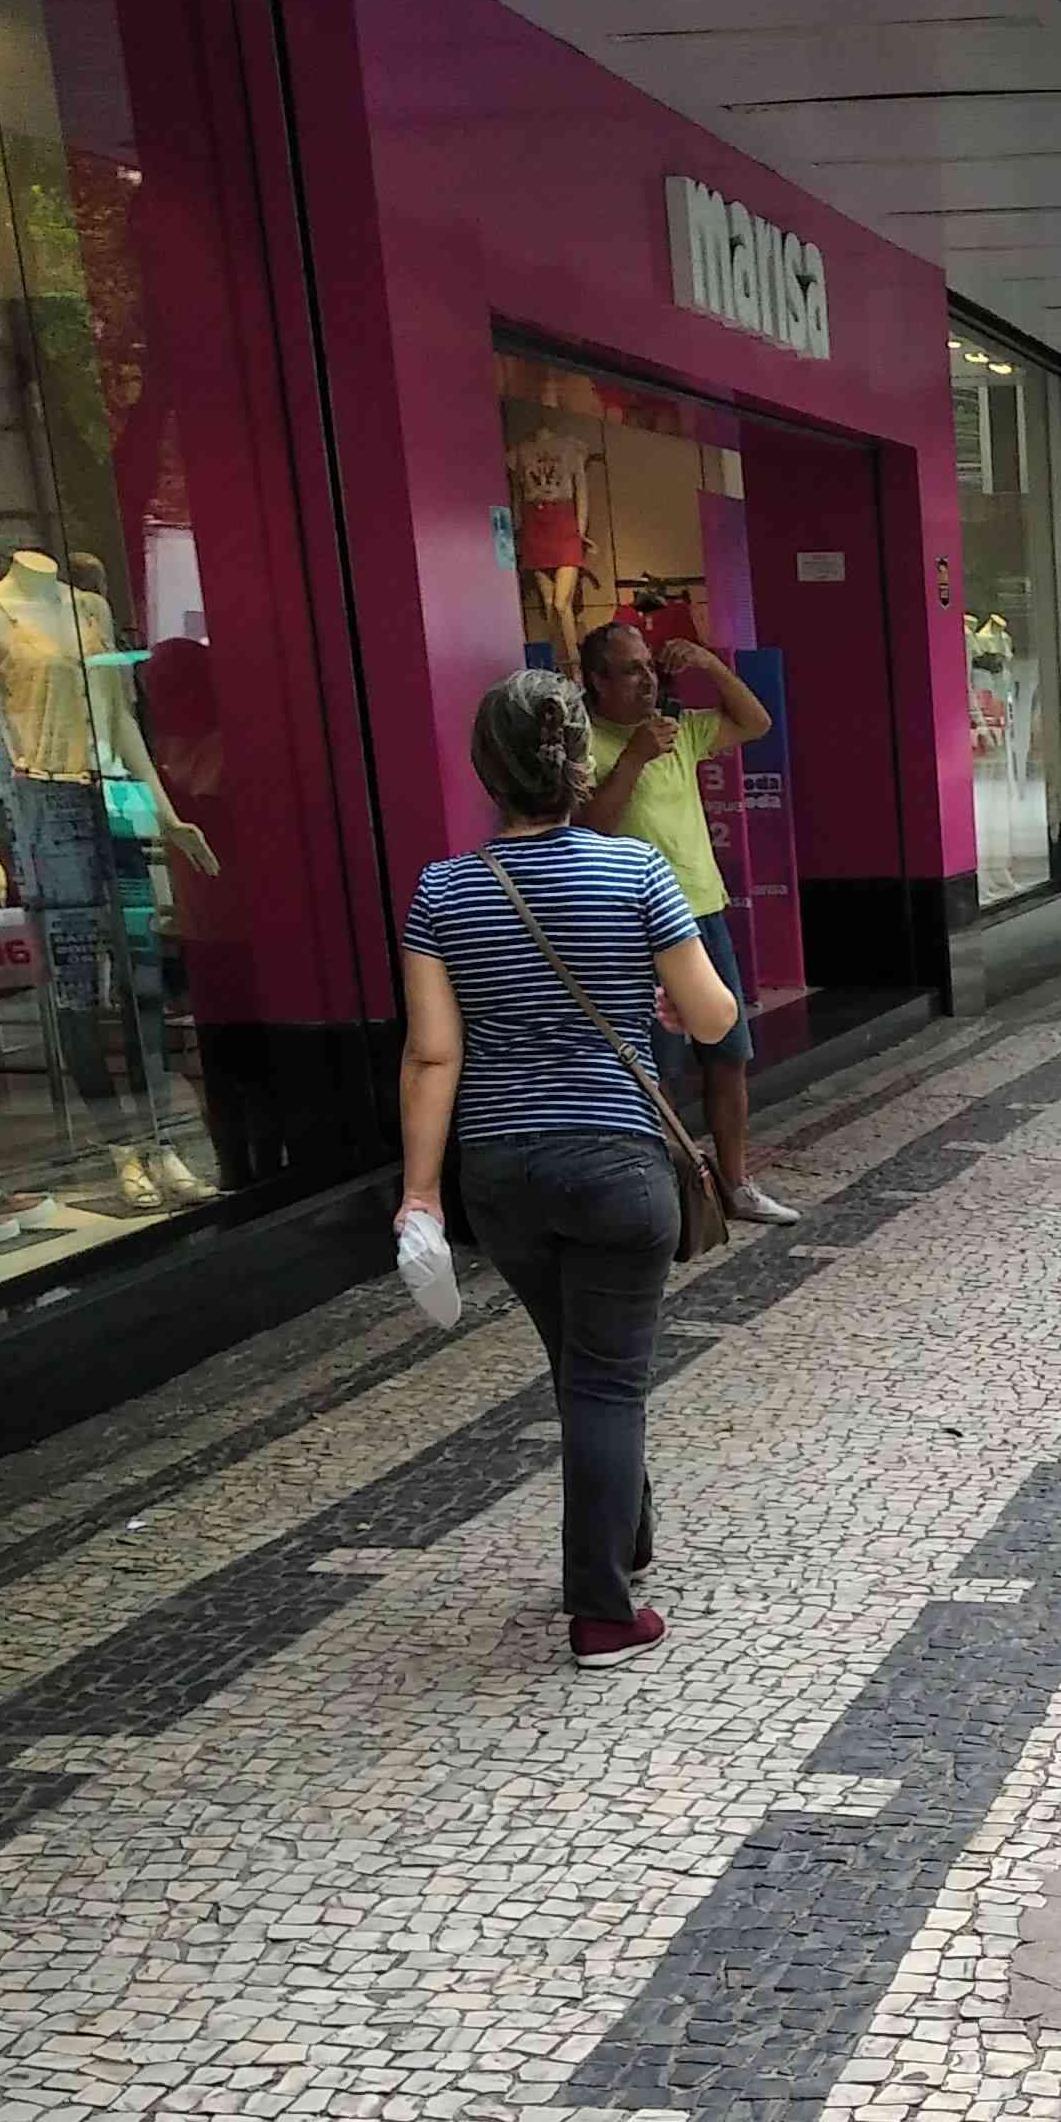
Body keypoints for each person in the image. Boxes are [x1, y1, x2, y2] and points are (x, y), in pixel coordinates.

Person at [399, 670, 741, 1671]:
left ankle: (626, 1537)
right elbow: (713, 1017)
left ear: (485, 772)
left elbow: (432, 1056)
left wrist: (420, 1194)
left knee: (580, 1367)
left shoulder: (441, 892)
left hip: (500, 1173)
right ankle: (601, 1613)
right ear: (582, 764)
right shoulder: (635, 870)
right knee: (607, 1380)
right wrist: (667, 1001)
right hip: (615, 1163)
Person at [576, 618, 797, 1227]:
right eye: (630, 671)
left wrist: (707, 663)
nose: (646, 680)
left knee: (727, 1053)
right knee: (657, 1068)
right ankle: (677, 1191)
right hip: (634, 926)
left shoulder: (680, 729)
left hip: (702, 912)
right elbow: (589, 827)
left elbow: (757, 722)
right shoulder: (587, 742)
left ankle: (736, 1184)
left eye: (650, 667)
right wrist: (634, 757)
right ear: (597, 681)